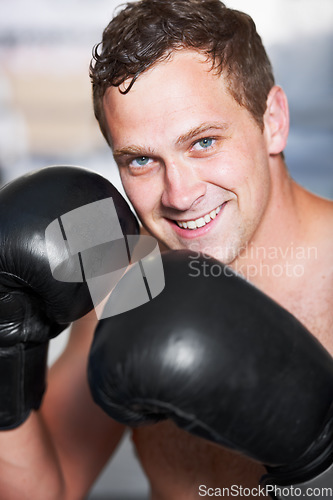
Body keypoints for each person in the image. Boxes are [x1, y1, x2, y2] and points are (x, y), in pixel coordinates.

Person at [0, 1, 332, 499]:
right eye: (140, 160)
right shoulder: (127, 274)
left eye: (203, 142)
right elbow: (48, 491)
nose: (178, 194)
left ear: (273, 121)